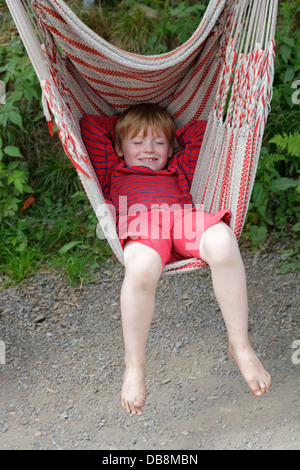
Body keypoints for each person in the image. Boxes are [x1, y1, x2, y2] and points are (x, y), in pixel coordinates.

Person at [80, 103, 271, 416]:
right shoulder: (111, 168)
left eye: (158, 142)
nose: (148, 149)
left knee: (223, 242)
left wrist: (172, 135)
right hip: (141, 225)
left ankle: (240, 345)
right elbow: (88, 124)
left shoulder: (178, 168)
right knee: (141, 268)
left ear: (170, 148)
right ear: (118, 147)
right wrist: (125, 128)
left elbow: (204, 131)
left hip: (183, 218)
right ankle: (134, 366)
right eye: (137, 142)